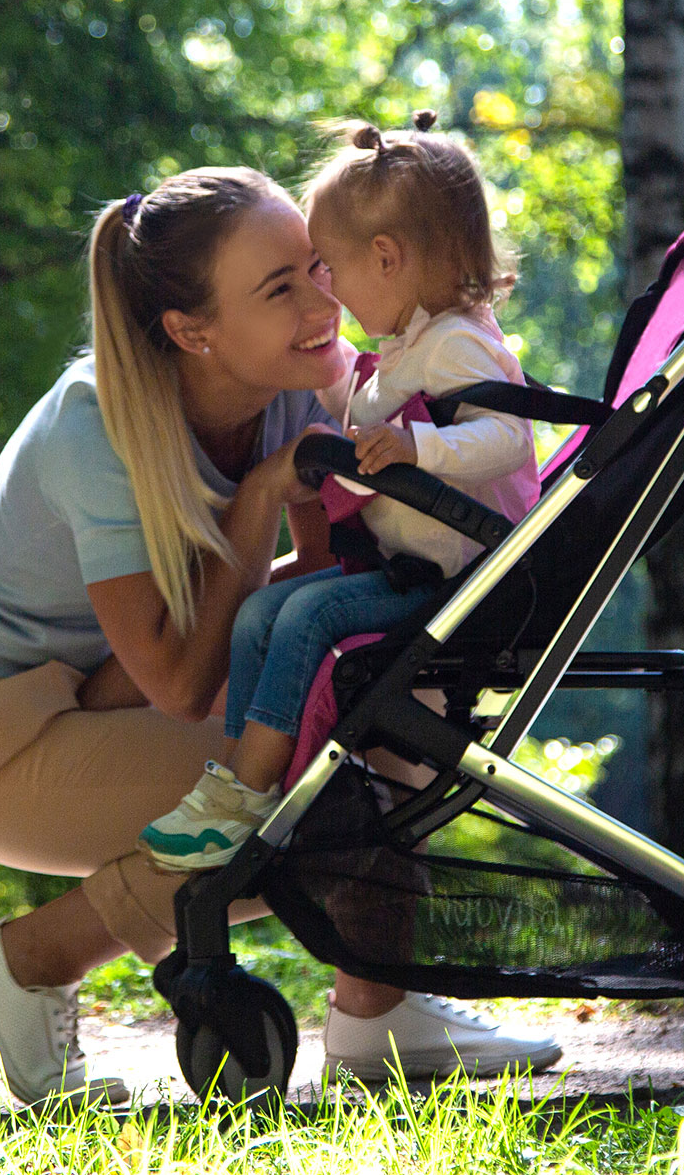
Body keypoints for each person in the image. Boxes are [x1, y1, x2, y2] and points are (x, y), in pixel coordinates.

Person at [0, 165, 559, 1106]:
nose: (320, 300)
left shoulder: (302, 382)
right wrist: (261, 494)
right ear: (191, 331)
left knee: (367, 725)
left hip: (110, 691)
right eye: (280, 288)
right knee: (314, 789)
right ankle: (23, 963)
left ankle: (378, 1015)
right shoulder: (92, 428)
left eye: (315, 268)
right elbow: (180, 682)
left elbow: (323, 583)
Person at [139, 112, 541, 883]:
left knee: (308, 614)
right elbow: (359, 400)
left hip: (459, 580)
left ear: (385, 259)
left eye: (327, 267)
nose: (326, 290)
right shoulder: (412, 341)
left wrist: (420, 449)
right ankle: (232, 783)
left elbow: (510, 440)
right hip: (407, 568)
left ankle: (251, 791)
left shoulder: (459, 342)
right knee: (261, 610)